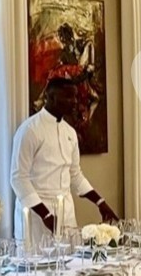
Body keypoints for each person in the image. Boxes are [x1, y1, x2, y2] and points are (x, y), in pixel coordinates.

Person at [11, 77, 118, 245]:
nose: (74, 102)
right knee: (37, 267)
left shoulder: (70, 132)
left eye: (75, 96)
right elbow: (18, 178)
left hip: (65, 212)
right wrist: (45, 214)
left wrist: (100, 202)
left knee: (69, 265)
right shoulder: (29, 131)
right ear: (50, 97)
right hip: (37, 216)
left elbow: (75, 175)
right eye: (69, 97)